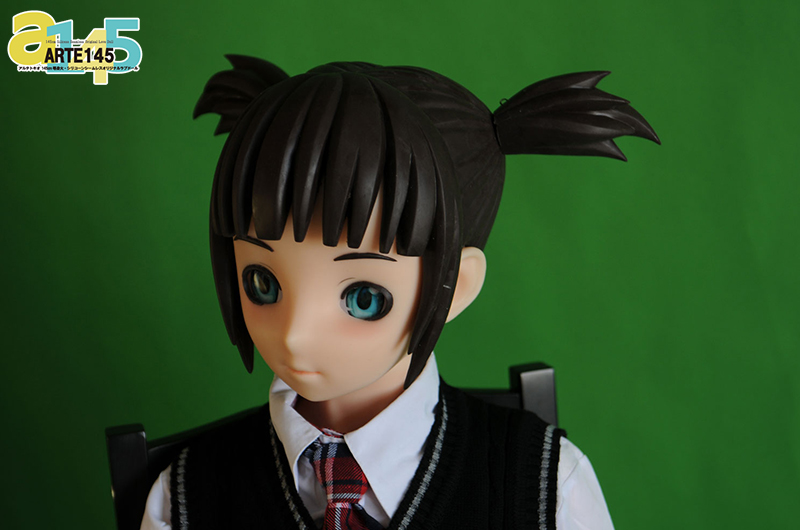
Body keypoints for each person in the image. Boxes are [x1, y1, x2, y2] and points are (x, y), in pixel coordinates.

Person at [141, 55, 659, 530]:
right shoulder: (186, 496)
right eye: (263, 283)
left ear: (457, 287)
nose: (295, 335)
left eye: (363, 297)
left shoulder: (547, 488)